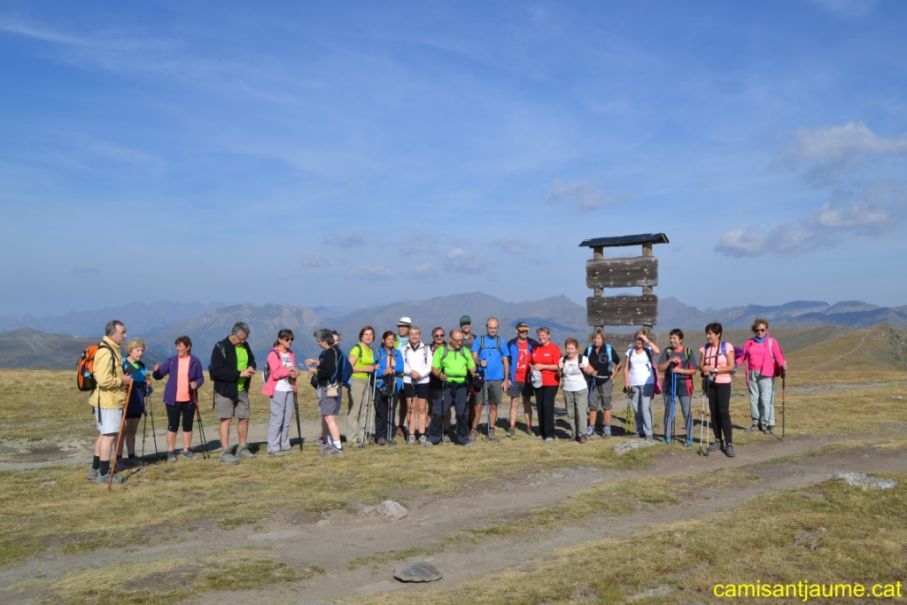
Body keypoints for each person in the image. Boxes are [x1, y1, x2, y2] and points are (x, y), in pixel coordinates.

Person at [87, 320, 132, 485]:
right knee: (108, 436)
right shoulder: (107, 352)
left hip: (104, 400)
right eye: (123, 332)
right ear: (113, 334)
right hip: (109, 401)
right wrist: (123, 380)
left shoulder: (110, 349)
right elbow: (104, 379)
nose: (125, 335)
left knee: (103, 434)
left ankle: (95, 469)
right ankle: (104, 473)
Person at [152, 336, 205, 462]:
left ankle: (186, 450)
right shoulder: (171, 361)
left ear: (188, 347)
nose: (178, 348)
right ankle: (170, 452)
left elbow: (201, 378)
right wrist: (155, 372)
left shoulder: (195, 361)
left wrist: (196, 384)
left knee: (188, 425)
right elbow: (159, 376)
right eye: (177, 346)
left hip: (190, 399)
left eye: (180, 346)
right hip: (173, 399)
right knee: (173, 425)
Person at [209, 322, 256, 464]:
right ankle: (226, 451)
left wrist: (251, 367)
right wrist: (239, 373)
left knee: (244, 417)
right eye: (241, 339)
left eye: (245, 339)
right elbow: (216, 371)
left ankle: (242, 447)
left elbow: (252, 359)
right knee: (226, 419)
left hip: (241, 389)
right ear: (233, 334)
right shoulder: (220, 347)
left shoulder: (245, 346)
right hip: (225, 390)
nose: (242, 342)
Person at [738, 319, 787, 435]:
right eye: (757, 330)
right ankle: (756, 423)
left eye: (762, 330)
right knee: (754, 399)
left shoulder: (771, 342)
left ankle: (769, 423)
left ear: (766, 330)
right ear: (754, 330)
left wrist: (783, 365)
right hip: (752, 374)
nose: (759, 332)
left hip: (767, 374)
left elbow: (778, 356)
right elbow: (742, 357)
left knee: (766, 399)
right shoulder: (748, 343)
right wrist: (733, 364)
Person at [429, 328, 476, 446]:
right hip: (446, 385)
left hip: (462, 386)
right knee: (439, 412)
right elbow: (434, 368)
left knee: (462, 413)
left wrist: (474, 373)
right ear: (450, 339)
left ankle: (463, 439)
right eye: (457, 340)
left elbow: (472, 367)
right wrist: (439, 375)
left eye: (461, 340)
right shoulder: (441, 351)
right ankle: (433, 438)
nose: (459, 343)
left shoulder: (465, 351)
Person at [699, 322, 737, 457]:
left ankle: (729, 443)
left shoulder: (727, 347)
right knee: (713, 412)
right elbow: (701, 365)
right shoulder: (705, 348)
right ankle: (717, 440)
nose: (708, 336)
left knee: (723, 412)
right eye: (707, 333)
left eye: (710, 333)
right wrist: (704, 369)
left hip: (723, 382)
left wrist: (714, 369)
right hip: (710, 383)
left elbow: (731, 366)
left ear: (718, 334)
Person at [261, 329, 301, 456]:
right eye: (287, 339)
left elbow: (292, 373)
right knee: (277, 418)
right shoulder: (273, 354)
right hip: (277, 389)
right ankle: (273, 447)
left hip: (289, 388)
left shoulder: (291, 354)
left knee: (287, 418)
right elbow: (275, 373)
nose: (290, 342)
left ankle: (284, 444)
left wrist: (295, 377)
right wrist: (290, 370)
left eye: (291, 340)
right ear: (280, 340)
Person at [470, 317, 510, 441]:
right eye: (490, 327)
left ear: (498, 328)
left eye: (495, 327)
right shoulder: (479, 340)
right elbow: (473, 357)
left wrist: (506, 379)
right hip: (483, 378)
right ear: (486, 327)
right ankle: (473, 430)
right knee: (479, 406)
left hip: (497, 378)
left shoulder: (501, 342)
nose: (493, 330)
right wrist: (479, 362)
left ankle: (491, 430)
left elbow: (506, 361)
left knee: (493, 406)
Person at [305, 329, 344, 455]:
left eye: (318, 341)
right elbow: (330, 367)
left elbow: (328, 371)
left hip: (329, 387)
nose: (318, 343)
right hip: (335, 387)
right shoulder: (336, 351)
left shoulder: (329, 353)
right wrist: (317, 363)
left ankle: (337, 446)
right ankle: (332, 444)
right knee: (329, 416)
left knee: (329, 417)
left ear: (324, 340)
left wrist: (315, 371)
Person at [657, 329, 698, 446]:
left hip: (685, 385)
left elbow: (694, 371)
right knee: (668, 411)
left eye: (674, 338)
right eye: (670, 338)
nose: (671, 340)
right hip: (669, 384)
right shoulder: (667, 351)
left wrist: (680, 370)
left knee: (686, 412)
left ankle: (689, 437)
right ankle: (667, 436)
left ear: (681, 339)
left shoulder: (688, 351)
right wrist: (670, 361)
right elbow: (660, 368)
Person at [623, 330, 661, 441]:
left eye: (641, 339)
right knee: (636, 408)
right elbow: (626, 368)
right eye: (637, 339)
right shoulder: (630, 352)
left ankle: (649, 432)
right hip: (633, 383)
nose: (639, 341)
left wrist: (647, 340)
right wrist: (627, 382)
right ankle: (640, 431)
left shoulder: (648, 350)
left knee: (645, 408)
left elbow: (657, 351)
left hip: (647, 383)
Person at [584, 328, 622, 438]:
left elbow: (618, 363)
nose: (596, 340)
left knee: (606, 406)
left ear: (603, 339)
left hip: (606, 381)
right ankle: (591, 428)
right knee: (592, 406)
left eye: (599, 338)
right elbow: (584, 363)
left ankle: (607, 428)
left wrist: (612, 377)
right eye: (595, 338)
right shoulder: (589, 349)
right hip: (593, 381)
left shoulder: (608, 349)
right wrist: (590, 371)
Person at [347, 326, 379, 447]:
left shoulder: (371, 350)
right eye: (366, 334)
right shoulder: (357, 349)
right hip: (356, 381)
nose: (368, 336)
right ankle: (352, 439)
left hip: (367, 381)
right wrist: (366, 368)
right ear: (361, 336)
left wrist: (373, 368)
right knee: (355, 410)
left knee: (365, 409)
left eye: (371, 334)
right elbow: (350, 367)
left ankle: (362, 437)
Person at [120, 338, 149, 467]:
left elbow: (146, 387)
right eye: (138, 350)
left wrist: (148, 387)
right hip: (124, 402)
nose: (140, 353)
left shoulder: (142, 366)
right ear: (130, 350)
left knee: (132, 431)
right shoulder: (123, 364)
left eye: (142, 351)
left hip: (138, 403)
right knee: (121, 432)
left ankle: (132, 456)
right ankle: (118, 458)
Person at [506, 322, 538, 436]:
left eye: (526, 330)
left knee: (527, 402)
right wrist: (507, 378)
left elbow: (537, 359)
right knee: (514, 402)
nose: (524, 332)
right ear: (516, 331)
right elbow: (507, 362)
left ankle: (529, 427)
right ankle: (512, 426)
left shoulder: (533, 343)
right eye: (522, 330)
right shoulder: (510, 344)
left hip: (527, 379)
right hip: (515, 378)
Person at [402, 325, 432, 446]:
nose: (414, 336)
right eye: (412, 334)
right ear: (409, 336)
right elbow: (402, 365)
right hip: (408, 381)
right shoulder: (404, 349)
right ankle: (411, 435)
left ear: (419, 335)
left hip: (423, 381)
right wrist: (411, 373)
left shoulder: (426, 349)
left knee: (422, 409)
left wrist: (420, 375)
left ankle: (422, 434)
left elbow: (429, 366)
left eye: (416, 334)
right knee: (411, 409)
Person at [530, 327, 561, 442]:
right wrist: (532, 368)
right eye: (539, 335)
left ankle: (550, 434)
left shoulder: (554, 348)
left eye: (543, 335)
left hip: (551, 382)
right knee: (540, 407)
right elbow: (531, 362)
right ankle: (542, 432)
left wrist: (543, 366)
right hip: (538, 382)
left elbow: (558, 366)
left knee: (548, 406)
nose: (541, 337)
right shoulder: (536, 348)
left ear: (549, 336)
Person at [559, 338, 592, 443]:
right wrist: (559, 368)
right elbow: (559, 375)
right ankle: (574, 433)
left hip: (581, 389)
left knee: (581, 412)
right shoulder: (562, 360)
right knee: (571, 413)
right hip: (567, 389)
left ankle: (583, 435)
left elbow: (591, 371)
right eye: (568, 348)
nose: (570, 351)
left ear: (576, 349)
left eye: (572, 348)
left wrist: (586, 369)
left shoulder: (583, 359)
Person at [375, 330, 404, 445]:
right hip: (381, 385)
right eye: (388, 339)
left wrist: (391, 370)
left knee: (391, 410)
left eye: (393, 339)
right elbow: (375, 368)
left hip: (394, 385)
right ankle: (380, 435)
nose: (391, 341)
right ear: (383, 340)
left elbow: (401, 367)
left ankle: (390, 435)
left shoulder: (397, 353)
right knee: (381, 410)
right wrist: (384, 371)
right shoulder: (378, 352)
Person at [427, 327, 447, 444]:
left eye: (441, 335)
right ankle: (431, 429)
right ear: (433, 337)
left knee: (446, 407)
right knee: (431, 407)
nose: (439, 338)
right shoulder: (428, 349)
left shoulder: (449, 348)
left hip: (445, 380)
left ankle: (445, 430)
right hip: (431, 381)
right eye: (437, 335)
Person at [395, 317, 412, 438]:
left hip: (407, 376)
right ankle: (391, 426)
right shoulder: (392, 339)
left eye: (404, 326)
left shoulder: (412, 340)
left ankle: (401, 425)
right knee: (392, 402)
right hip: (395, 376)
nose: (401, 328)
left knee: (406, 404)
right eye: (400, 326)